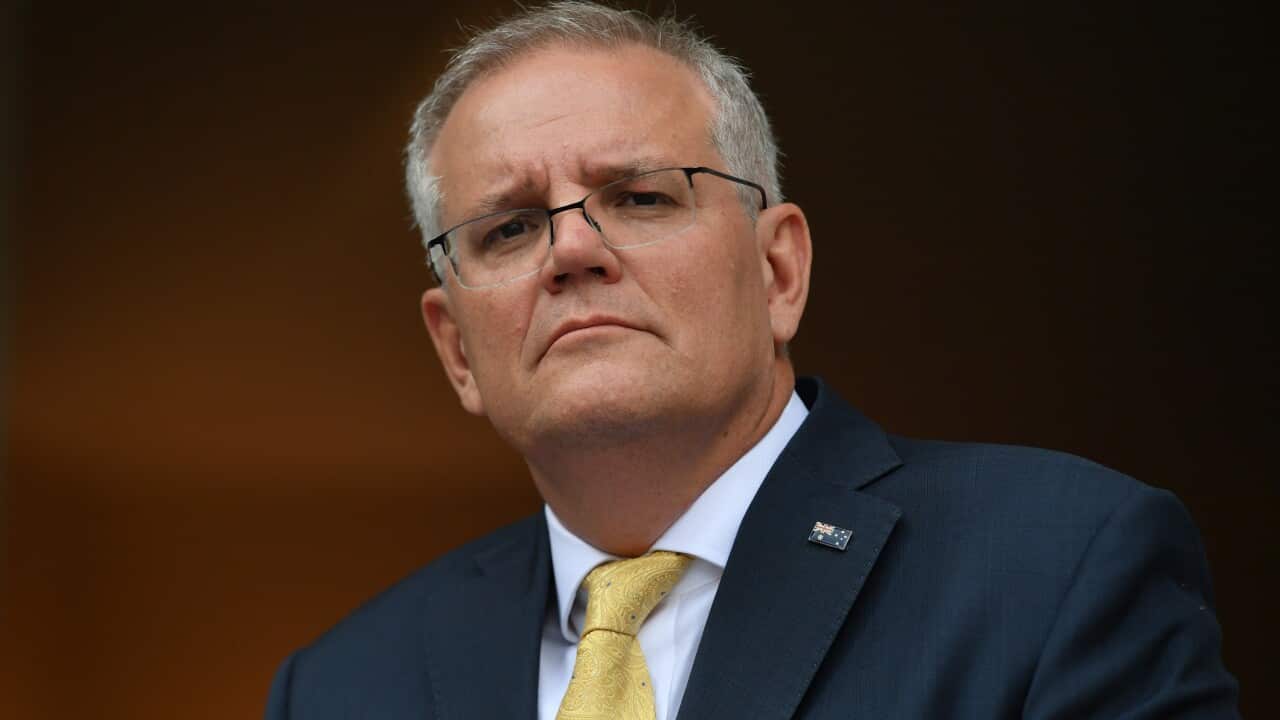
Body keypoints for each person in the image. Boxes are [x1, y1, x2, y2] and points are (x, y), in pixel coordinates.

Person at [265, 3, 1239, 718]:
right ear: (456, 350)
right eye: (510, 227)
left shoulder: (1056, 565)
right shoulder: (343, 687)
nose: (570, 251)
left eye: (641, 197)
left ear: (778, 270)